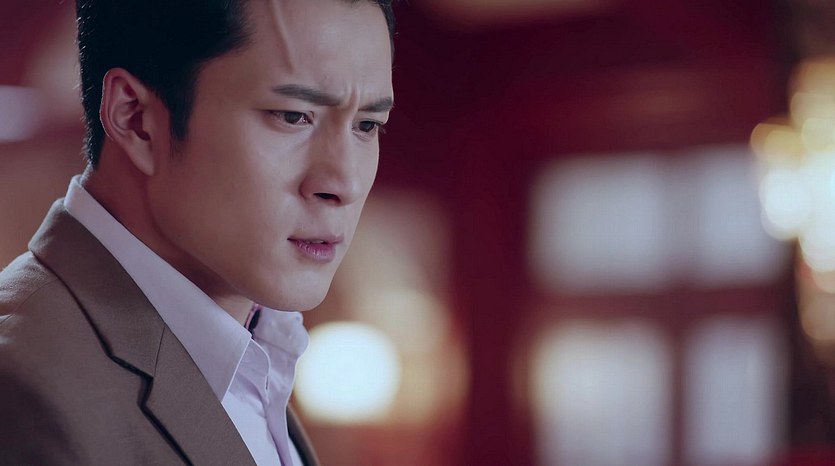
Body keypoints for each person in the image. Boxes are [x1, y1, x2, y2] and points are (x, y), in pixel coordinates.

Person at [0, 0, 395, 464]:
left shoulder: (254, 359)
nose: (344, 183)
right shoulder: (25, 390)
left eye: (367, 125)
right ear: (136, 120)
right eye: (293, 116)